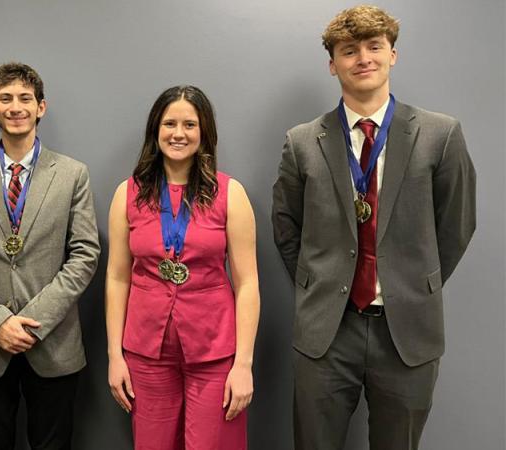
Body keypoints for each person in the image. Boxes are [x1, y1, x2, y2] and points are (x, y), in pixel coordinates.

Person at [272, 5, 476, 450]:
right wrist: (318, 287)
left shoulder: (440, 135)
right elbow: (286, 228)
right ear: (333, 64)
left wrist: (413, 284)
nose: (363, 58)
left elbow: (456, 226)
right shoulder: (303, 142)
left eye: (374, 46)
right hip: (327, 331)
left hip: (407, 333)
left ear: (392, 55)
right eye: (349, 50)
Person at [0, 62, 100, 450]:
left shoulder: (73, 173)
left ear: (41, 107)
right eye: (5, 98)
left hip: (53, 343)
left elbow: (85, 254)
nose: (15, 106)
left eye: (25, 98)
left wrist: (32, 323)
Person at [105, 85, 260, 450]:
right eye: (169, 123)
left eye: (189, 124)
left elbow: (248, 282)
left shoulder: (230, 193)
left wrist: (243, 365)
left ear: (204, 131)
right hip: (146, 355)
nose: (178, 133)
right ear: (155, 130)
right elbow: (116, 278)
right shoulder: (127, 193)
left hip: (215, 353)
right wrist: (115, 356)